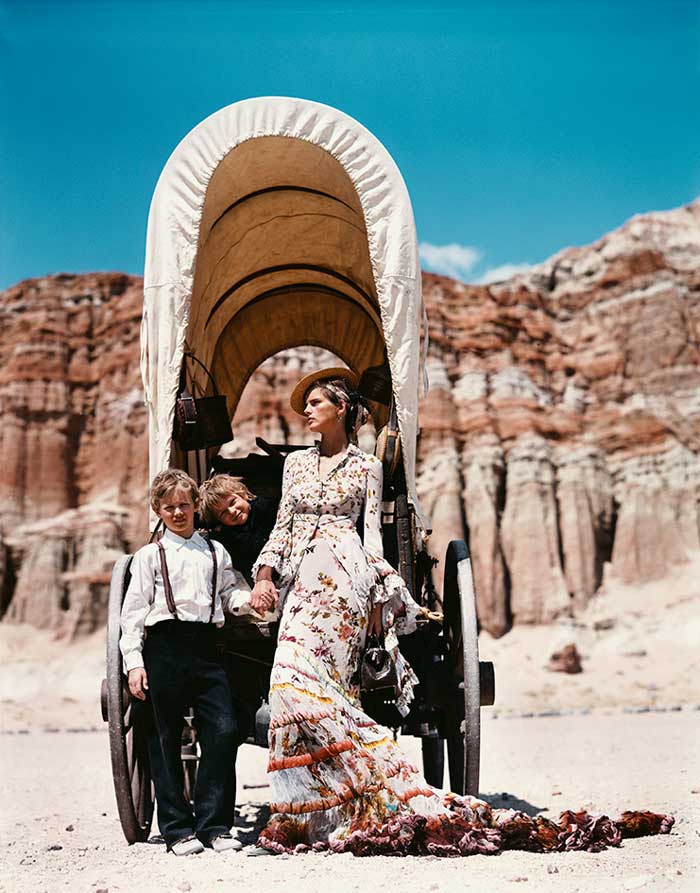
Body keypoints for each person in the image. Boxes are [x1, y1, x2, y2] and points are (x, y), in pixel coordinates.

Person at [246, 369, 674, 857]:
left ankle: (296, 820)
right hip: (301, 579)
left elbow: (369, 533)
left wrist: (377, 594)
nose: (306, 410)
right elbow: (283, 526)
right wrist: (264, 575)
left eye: (316, 402)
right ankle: (305, 812)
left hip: (345, 580)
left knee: (323, 691)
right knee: (287, 689)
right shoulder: (295, 465)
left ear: (341, 409)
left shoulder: (366, 467)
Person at [120, 469, 251, 856]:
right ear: (158, 511)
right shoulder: (149, 556)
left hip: (207, 647)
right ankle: (177, 829)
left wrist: (246, 602)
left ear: (196, 506)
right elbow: (133, 613)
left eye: (184, 505)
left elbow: (229, 592)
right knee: (162, 739)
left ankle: (215, 826)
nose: (178, 513)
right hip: (164, 646)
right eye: (169, 507)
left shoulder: (215, 552)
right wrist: (134, 662)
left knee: (225, 729)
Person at [199, 475, 278, 586]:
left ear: (242, 494)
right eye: (223, 513)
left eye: (232, 502)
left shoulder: (268, 508)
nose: (232, 511)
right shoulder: (227, 537)